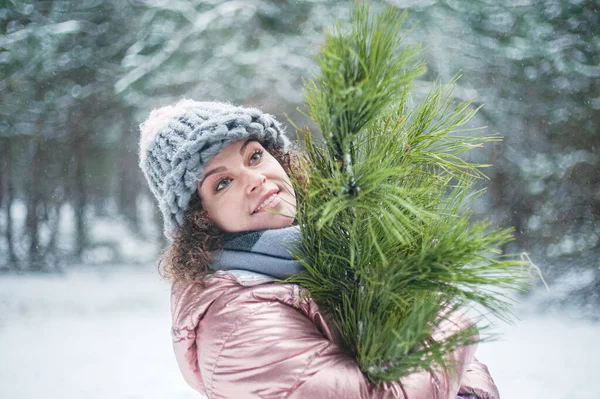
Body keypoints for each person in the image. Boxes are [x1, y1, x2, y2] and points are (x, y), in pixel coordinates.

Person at [138, 99, 500, 399]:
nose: (255, 179)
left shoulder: (329, 252)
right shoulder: (234, 319)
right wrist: (447, 324)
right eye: (222, 183)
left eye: (254, 156)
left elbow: (451, 373)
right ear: (200, 219)